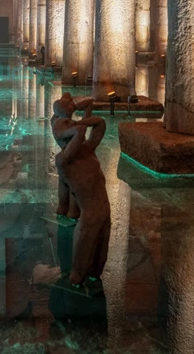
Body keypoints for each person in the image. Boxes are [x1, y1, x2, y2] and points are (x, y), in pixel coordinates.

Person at [51, 93, 111, 286]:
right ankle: (77, 275)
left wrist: (83, 111)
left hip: (103, 206)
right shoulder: (64, 160)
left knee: (102, 239)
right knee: (87, 234)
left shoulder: (87, 149)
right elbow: (79, 131)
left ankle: (94, 272)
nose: (73, 124)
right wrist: (80, 122)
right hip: (90, 209)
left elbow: (100, 124)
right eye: (66, 123)